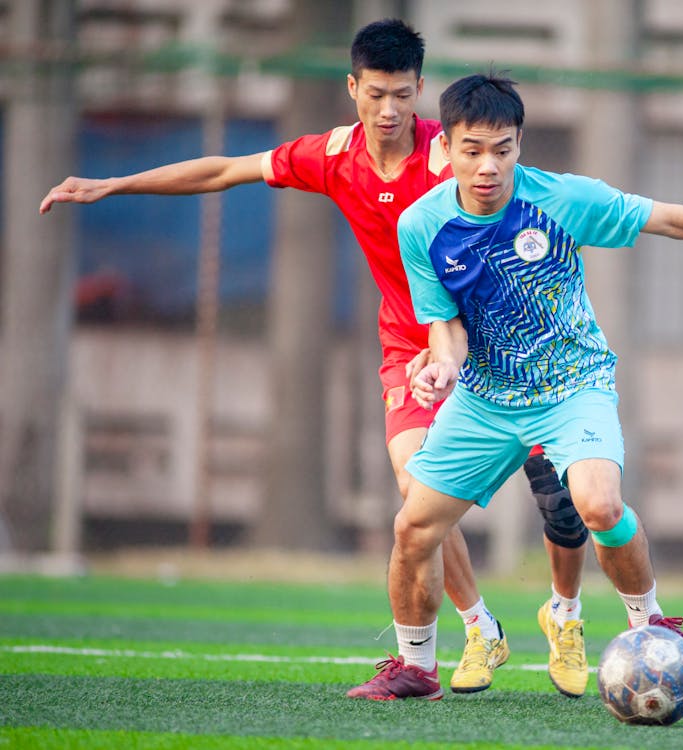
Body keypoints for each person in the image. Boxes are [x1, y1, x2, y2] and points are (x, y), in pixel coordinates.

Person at [38, 20, 591, 698]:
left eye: (403, 96)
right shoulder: (331, 156)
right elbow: (223, 170)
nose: (389, 111)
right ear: (353, 87)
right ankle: (478, 629)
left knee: (560, 502)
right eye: (376, 94)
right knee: (418, 496)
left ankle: (568, 613)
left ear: (420, 93)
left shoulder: (456, 159)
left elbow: (545, 207)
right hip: (410, 347)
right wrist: (113, 186)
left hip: (506, 346)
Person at [357, 71, 683, 701]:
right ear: (444, 149)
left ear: (520, 144)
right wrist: (442, 362)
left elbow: (671, 219)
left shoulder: (562, 200)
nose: (488, 167)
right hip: (485, 399)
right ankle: (416, 667)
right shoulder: (421, 225)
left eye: (502, 149)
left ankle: (655, 625)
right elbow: (444, 326)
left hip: (572, 386)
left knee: (598, 504)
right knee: (412, 529)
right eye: (472, 150)